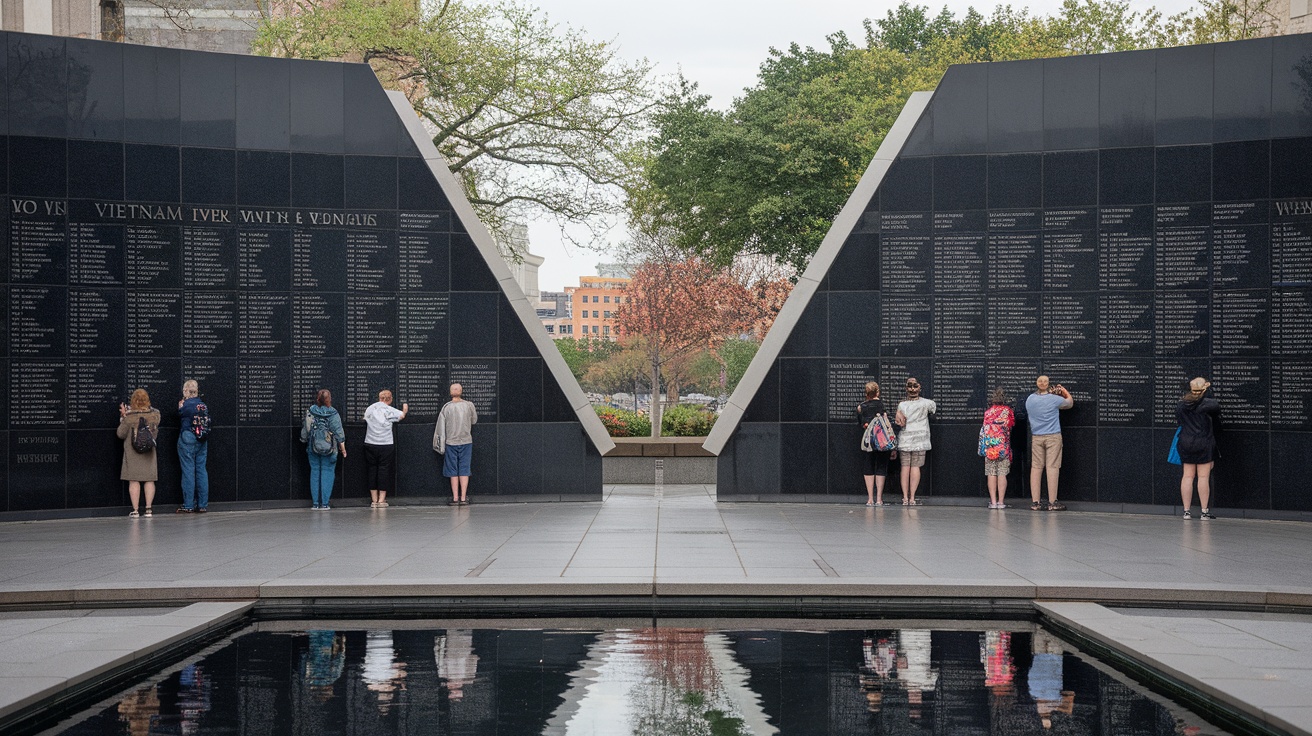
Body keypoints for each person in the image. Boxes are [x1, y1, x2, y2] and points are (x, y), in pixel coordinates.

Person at [1025, 375, 1073, 511]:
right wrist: (1063, 391)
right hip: (1053, 436)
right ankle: (1052, 502)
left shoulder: (1030, 399)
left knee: (1036, 468)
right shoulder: (1054, 399)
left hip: (1036, 437)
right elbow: (1069, 403)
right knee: (1052, 467)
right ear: (1047, 384)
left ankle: (1035, 502)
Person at [1178, 377, 1220, 520]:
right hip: (1204, 443)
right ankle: (1204, 511)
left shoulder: (1182, 404)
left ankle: (1186, 511)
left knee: (1187, 476)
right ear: (1204, 389)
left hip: (1186, 442)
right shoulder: (1208, 405)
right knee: (1203, 477)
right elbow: (1216, 408)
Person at [117, 388, 161, 518]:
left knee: (134, 480)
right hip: (149, 452)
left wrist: (123, 417)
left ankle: (135, 510)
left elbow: (120, 434)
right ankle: (148, 509)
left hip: (132, 453)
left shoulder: (129, 418)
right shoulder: (155, 416)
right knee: (149, 480)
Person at [301, 389, 346, 509]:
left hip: (313, 446)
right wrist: (343, 448)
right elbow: (338, 432)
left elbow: (306, 428)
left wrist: (303, 439)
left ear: (317, 399)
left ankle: (315, 504)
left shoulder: (311, 411)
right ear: (329, 399)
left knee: (315, 472)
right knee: (327, 472)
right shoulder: (333, 413)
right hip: (330, 448)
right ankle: (325, 503)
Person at [434, 383, 478, 506]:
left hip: (450, 442)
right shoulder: (469, 405)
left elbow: (441, 427)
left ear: (450, 392)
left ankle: (455, 498)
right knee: (464, 468)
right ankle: (463, 498)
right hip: (466, 441)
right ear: (461, 391)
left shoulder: (446, 407)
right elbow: (474, 420)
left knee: (452, 469)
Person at [894, 378, 936, 506]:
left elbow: (899, 421)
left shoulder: (902, 405)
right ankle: (912, 497)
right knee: (916, 467)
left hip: (905, 438)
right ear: (919, 388)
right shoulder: (928, 403)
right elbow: (933, 410)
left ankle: (905, 498)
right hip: (920, 439)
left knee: (905, 467)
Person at [363, 389, 408, 508]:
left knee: (372, 470)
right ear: (390, 399)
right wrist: (405, 408)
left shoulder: (370, 408)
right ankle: (381, 500)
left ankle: (373, 500)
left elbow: (365, 418)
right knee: (384, 470)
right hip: (386, 444)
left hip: (370, 443)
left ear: (379, 398)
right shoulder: (389, 409)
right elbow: (401, 416)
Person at [856, 381, 896, 506]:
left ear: (866, 393)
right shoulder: (882, 406)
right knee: (881, 467)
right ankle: (879, 499)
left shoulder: (861, 407)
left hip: (869, 442)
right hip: (882, 442)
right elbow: (888, 425)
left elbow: (861, 423)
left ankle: (870, 499)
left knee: (868, 467)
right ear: (878, 392)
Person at [176, 379, 210, 513]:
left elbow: (180, 414)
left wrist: (180, 407)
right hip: (202, 438)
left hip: (187, 437)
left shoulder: (185, 404)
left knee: (188, 470)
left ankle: (188, 505)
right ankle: (202, 505)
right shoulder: (203, 405)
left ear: (185, 391)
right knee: (201, 470)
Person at [979, 388, 1016, 509]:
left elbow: (984, 429)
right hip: (1003, 447)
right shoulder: (1007, 411)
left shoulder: (988, 412)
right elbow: (1010, 426)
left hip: (990, 448)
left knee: (991, 473)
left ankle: (993, 502)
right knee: (1002, 473)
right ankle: (1001, 502)